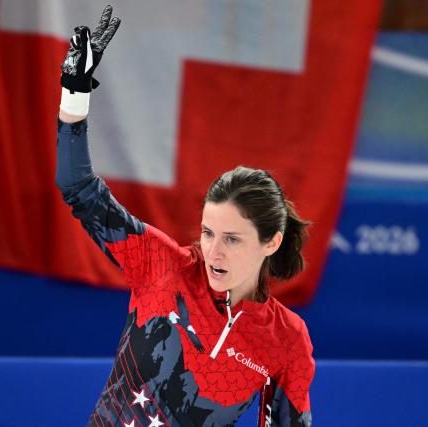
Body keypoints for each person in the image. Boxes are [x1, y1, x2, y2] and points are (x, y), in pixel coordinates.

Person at [56, 6, 314, 426]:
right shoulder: (161, 264)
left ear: (271, 241)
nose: (213, 251)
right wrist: (74, 93)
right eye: (208, 232)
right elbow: (78, 188)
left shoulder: (287, 339)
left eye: (233, 239)